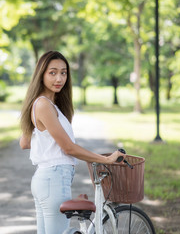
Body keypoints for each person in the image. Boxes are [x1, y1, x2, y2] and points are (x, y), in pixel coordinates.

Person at [19, 51, 125, 234]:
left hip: (46, 179)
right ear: (41, 74)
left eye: (63, 72)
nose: (59, 78)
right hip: (53, 178)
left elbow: (25, 142)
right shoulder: (43, 105)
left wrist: (46, 137)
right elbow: (68, 147)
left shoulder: (46, 105)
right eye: (52, 72)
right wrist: (105, 160)